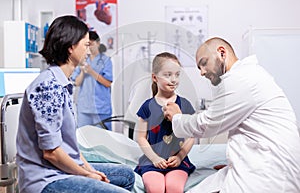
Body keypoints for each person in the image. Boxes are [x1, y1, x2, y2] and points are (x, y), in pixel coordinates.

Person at [163, 37, 300, 192]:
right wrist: (237, 161)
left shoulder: (241, 80)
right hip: (262, 160)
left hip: (270, 174)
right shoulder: (247, 75)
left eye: (204, 63)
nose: (202, 72)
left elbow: (206, 125)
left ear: (222, 53)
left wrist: (176, 117)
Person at [16, 15, 134, 193]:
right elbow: (51, 153)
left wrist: (89, 170)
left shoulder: (63, 83)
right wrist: (86, 175)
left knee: (126, 175)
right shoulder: (48, 87)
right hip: (45, 177)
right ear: (71, 47)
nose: (88, 51)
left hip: (62, 169)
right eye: (86, 45)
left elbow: (70, 146)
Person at [134, 52, 196, 193]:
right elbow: (141, 137)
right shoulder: (147, 106)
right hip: (152, 160)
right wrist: (154, 158)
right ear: (155, 77)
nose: (174, 80)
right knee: (156, 189)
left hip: (177, 161)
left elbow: (191, 136)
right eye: (168, 75)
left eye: (177, 74)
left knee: (174, 188)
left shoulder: (184, 105)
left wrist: (180, 157)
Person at [71, 30, 113, 130]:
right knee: (83, 140)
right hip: (84, 107)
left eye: (91, 44)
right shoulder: (82, 60)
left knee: (102, 140)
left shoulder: (106, 60)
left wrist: (91, 71)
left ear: (98, 43)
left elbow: (108, 83)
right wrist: (82, 71)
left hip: (100, 108)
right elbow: (76, 82)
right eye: (87, 44)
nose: (89, 47)